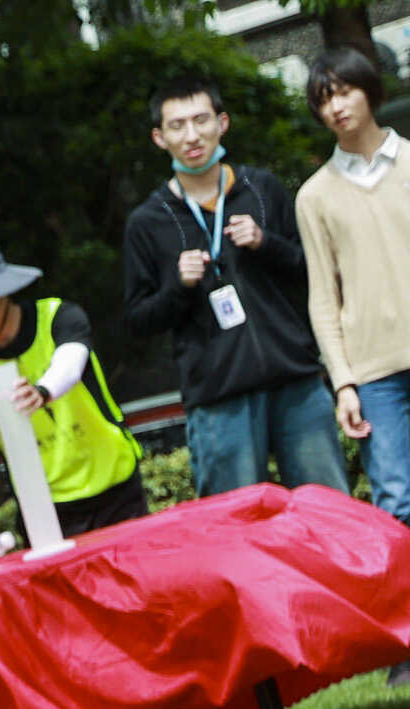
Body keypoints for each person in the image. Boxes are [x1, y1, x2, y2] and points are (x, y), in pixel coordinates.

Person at [124, 73, 342, 499]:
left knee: (329, 508)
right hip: (218, 397)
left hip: (295, 379)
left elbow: (312, 271)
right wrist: (179, 286)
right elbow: (138, 321)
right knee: (238, 523)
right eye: (177, 125)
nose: (192, 135)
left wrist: (266, 244)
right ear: (159, 137)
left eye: (201, 120)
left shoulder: (262, 189)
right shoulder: (147, 222)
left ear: (222, 123)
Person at [0, 239, 148, 573]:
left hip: (115, 489)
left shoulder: (59, 317)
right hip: (44, 511)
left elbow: (70, 362)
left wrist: (43, 392)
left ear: (3, 290)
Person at [300, 45, 410, 525]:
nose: (336, 107)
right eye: (325, 99)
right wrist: (343, 382)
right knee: (396, 504)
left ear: (370, 90)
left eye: (344, 92)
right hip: (374, 375)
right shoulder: (314, 196)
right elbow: (323, 298)